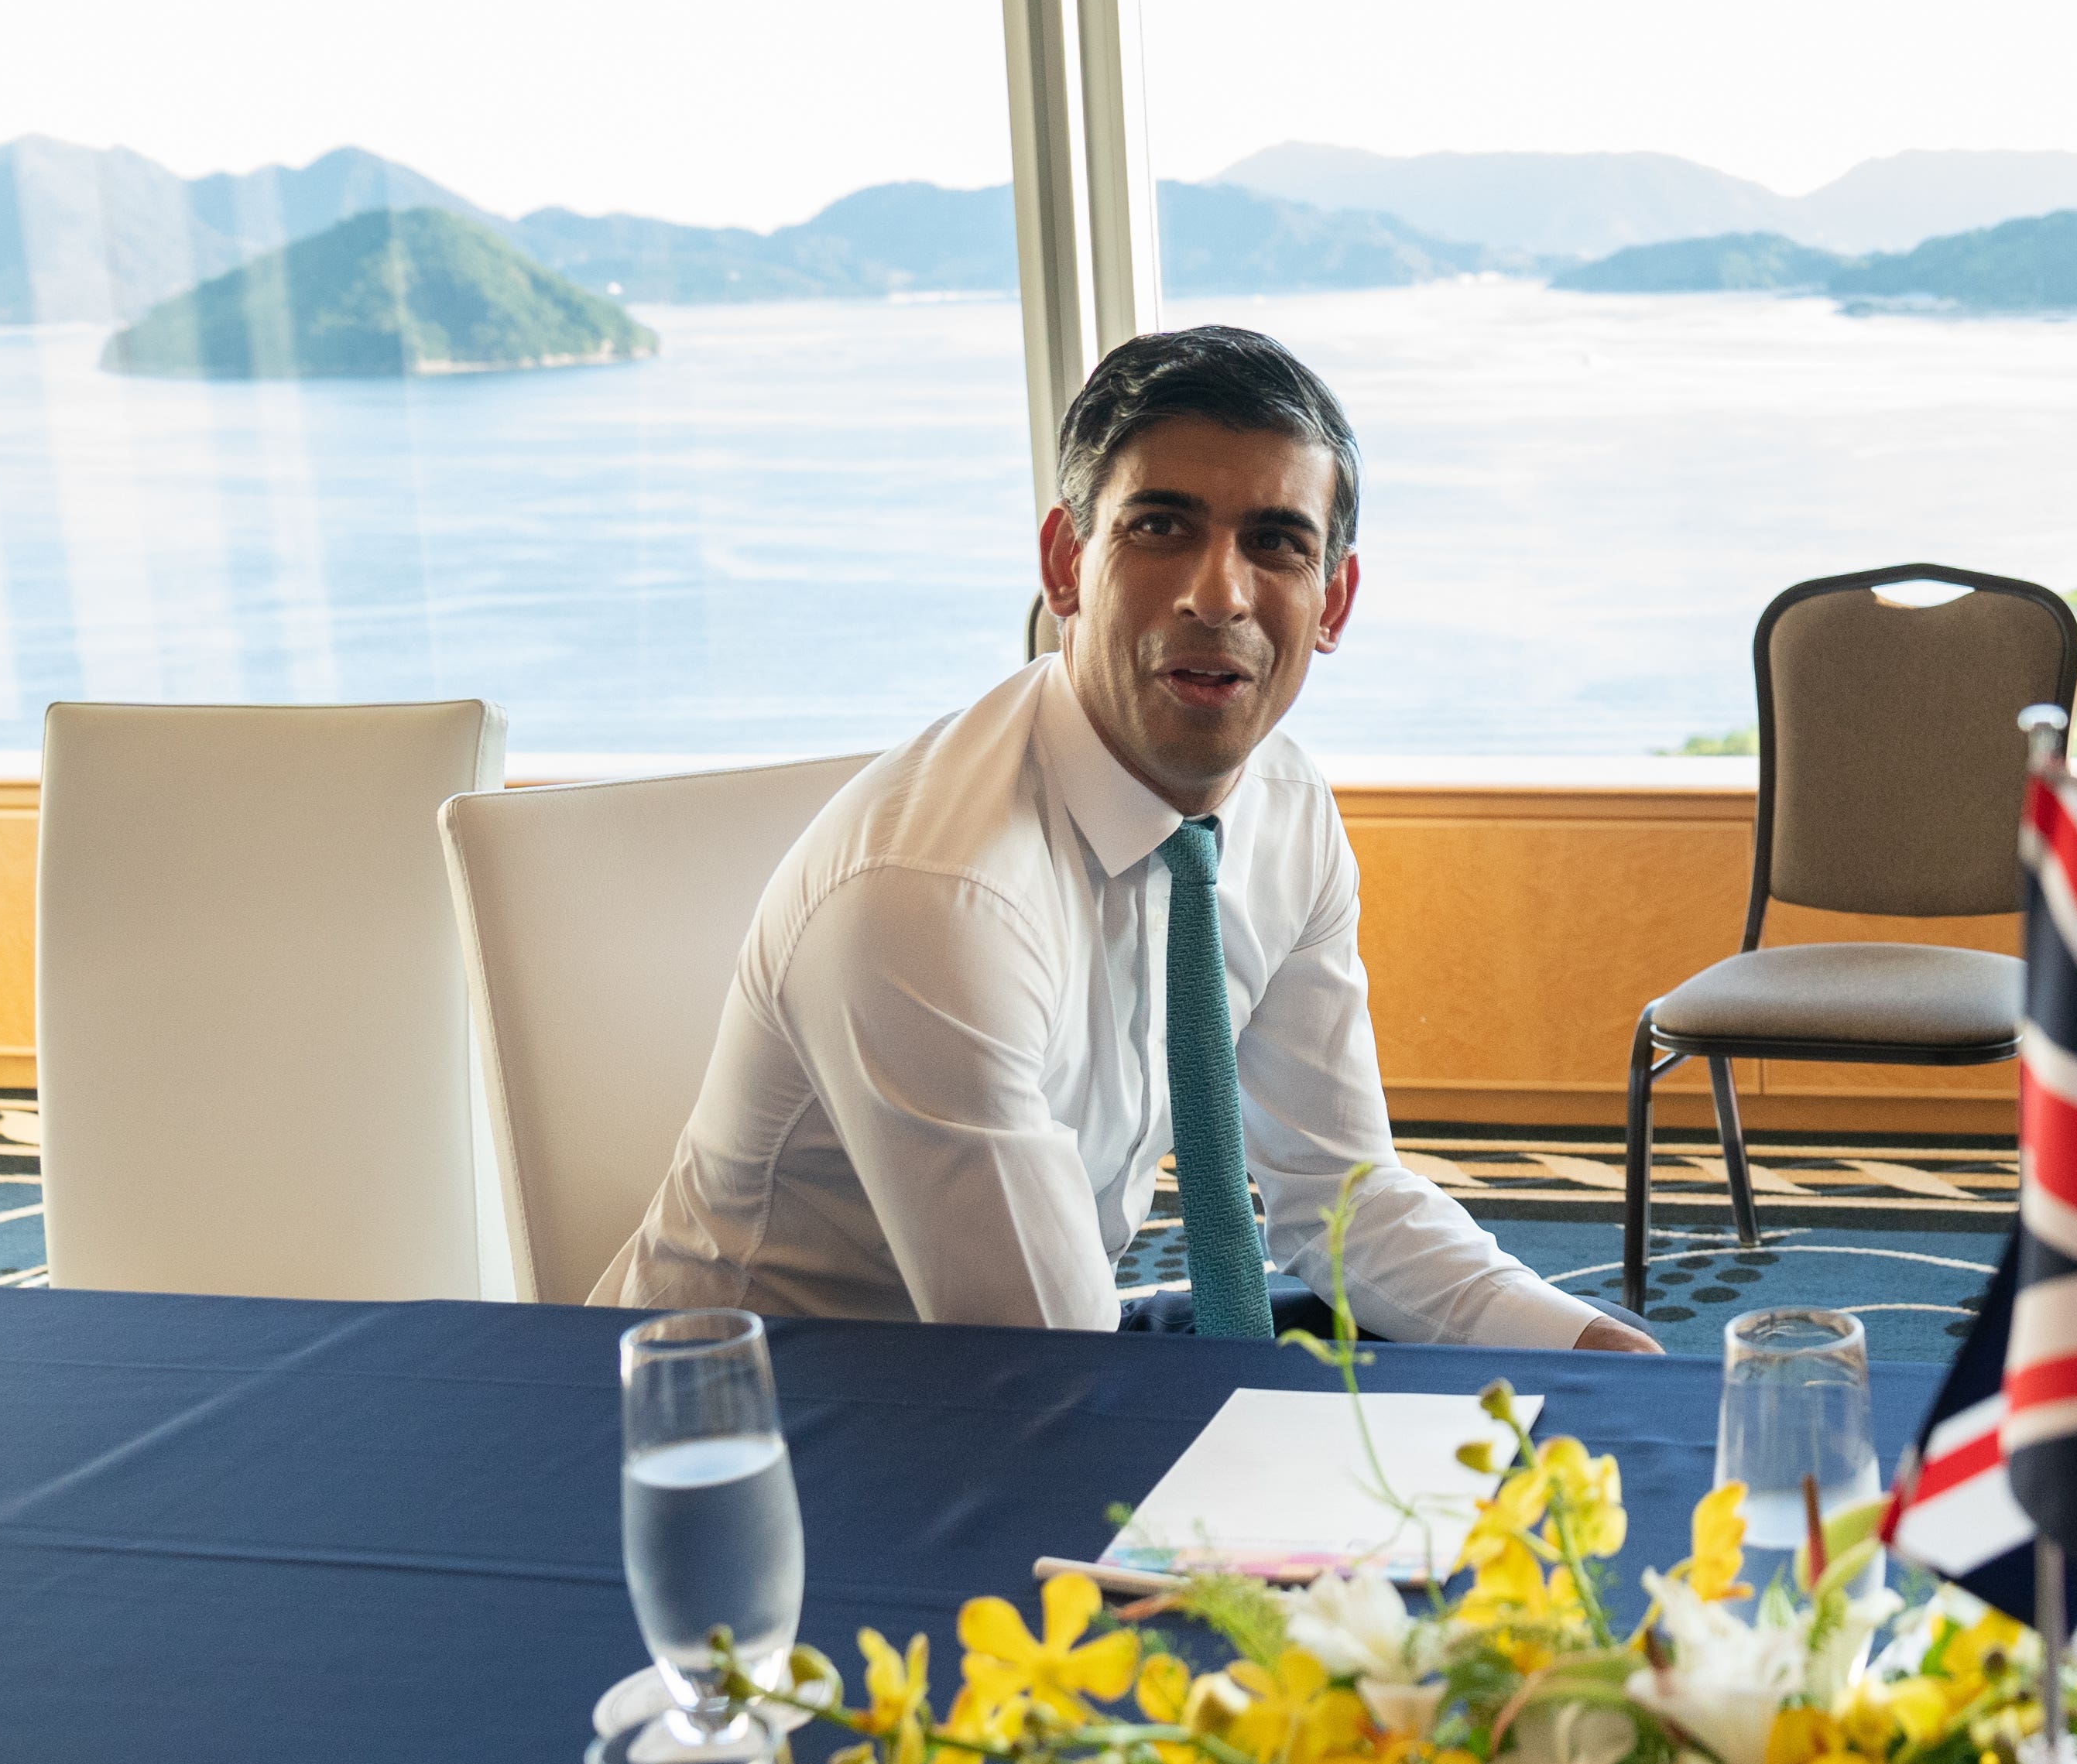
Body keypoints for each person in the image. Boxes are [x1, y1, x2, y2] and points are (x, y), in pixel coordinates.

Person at [599, 325, 1657, 1353]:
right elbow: (1056, 1370)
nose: (1218, 594)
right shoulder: (934, 898)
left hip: (1033, 1348)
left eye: (1276, 544)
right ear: (1067, 565)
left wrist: (1584, 1344)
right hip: (761, 1416)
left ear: (1332, 600)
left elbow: (1339, 1194)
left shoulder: (1284, 809)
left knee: (1484, 1398)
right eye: (1161, 527)